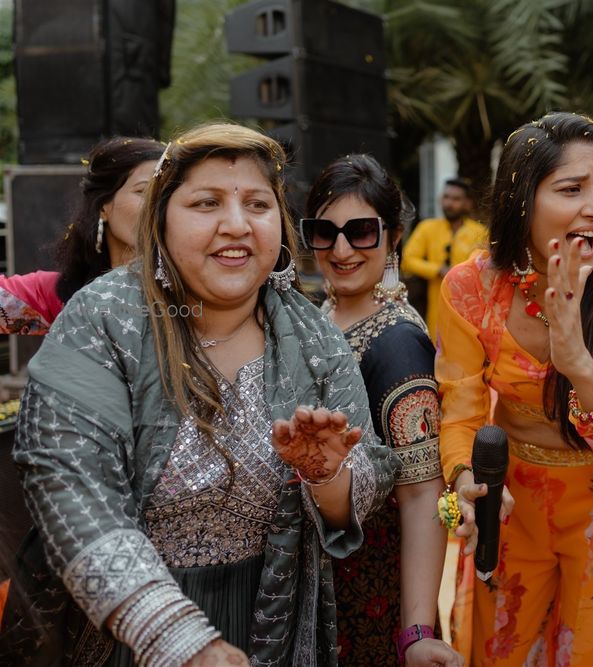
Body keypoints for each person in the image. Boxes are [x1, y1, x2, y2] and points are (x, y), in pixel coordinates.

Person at [0, 123, 399, 665]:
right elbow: (70, 482)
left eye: (257, 204)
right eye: (206, 203)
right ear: (161, 219)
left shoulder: (311, 335)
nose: (236, 225)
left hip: (271, 621)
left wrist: (328, 474)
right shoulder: (102, 319)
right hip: (125, 630)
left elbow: (366, 481)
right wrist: (178, 639)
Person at [437, 112, 593, 665]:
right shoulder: (471, 287)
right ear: (522, 199)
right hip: (512, 506)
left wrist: (578, 362)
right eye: (572, 189)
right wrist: (465, 481)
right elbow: (460, 413)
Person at [301, 155, 460, 666]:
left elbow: (421, 496)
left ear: (393, 238)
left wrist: (416, 629)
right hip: (320, 575)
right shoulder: (323, 316)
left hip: (369, 589)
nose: (342, 249)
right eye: (324, 232)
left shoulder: (398, 345)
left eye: (362, 232)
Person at [0, 137, 163, 334]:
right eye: (144, 191)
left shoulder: (194, 291)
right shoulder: (63, 294)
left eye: (167, 193)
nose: (158, 205)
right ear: (102, 206)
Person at [401, 177, 487, 341]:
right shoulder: (427, 228)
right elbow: (407, 259)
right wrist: (437, 270)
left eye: (456, 199)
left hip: (471, 309)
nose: (449, 203)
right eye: (446, 197)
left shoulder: (480, 233)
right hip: (437, 308)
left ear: (467, 204)